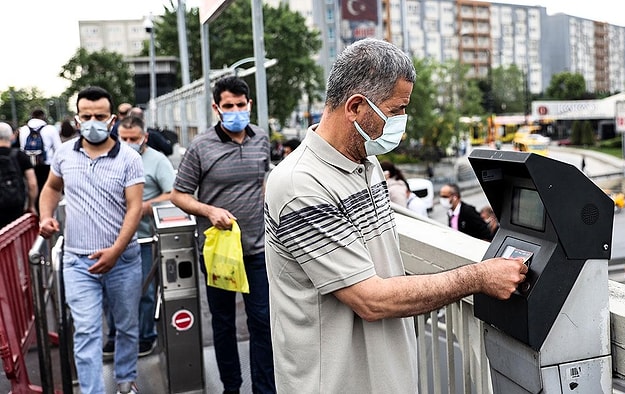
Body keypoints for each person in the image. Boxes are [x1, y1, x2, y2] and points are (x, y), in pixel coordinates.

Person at [263, 38, 526, 393]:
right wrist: (478, 278)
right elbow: (370, 299)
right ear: (356, 107)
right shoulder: (300, 184)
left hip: (385, 375)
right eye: (397, 108)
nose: (402, 120)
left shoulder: (366, 163)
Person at [171, 76, 275, 394]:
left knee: (261, 321)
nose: (235, 111)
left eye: (240, 105)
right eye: (227, 106)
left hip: (257, 249)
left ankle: (264, 388)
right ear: (216, 108)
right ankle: (231, 386)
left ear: (249, 105)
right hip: (219, 252)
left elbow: (263, 181)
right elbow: (179, 195)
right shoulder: (201, 146)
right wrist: (209, 211)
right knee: (224, 322)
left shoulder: (261, 139)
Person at [38, 86, 144, 394]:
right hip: (77, 261)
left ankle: (125, 381)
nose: (93, 121)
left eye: (99, 116)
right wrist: (46, 216)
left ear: (112, 119)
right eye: (87, 116)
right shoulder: (64, 154)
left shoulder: (128, 158)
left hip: (122, 260)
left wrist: (115, 250)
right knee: (86, 331)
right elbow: (51, 189)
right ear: (77, 118)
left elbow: (135, 207)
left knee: (125, 326)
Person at [103, 115, 175, 358]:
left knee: (143, 290)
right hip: (110, 237)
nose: (128, 142)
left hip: (143, 238)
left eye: (133, 138)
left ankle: (146, 335)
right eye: (123, 138)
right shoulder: (109, 159)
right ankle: (115, 335)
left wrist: (145, 207)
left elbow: (172, 194)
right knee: (110, 291)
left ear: (144, 137)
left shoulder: (157, 161)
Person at [18, 108, 62, 203]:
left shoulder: (23, 129)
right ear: (43, 117)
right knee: (47, 189)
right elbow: (58, 149)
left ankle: (34, 209)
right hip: (47, 165)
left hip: (29, 165)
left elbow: (22, 148)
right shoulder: (50, 129)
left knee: (33, 188)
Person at [0, 121, 38, 228]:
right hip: (17, 205)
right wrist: (31, 205)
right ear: (12, 136)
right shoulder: (20, 155)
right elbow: (32, 184)